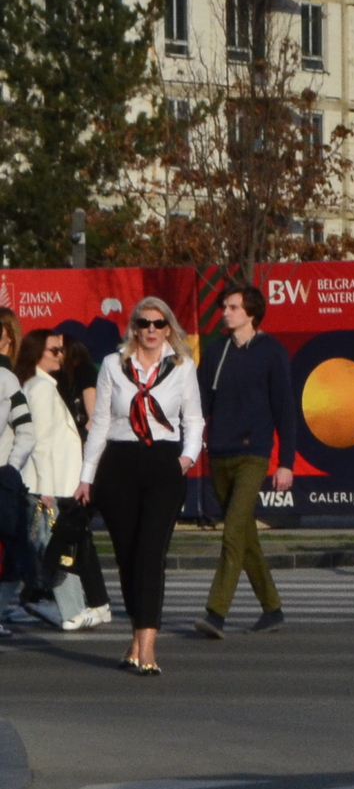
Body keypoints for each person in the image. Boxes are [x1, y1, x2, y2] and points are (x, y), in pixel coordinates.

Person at [78, 296, 204, 674]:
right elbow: (100, 422)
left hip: (163, 462)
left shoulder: (182, 367)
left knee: (151, 554)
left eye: (159, 323)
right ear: (133, 327)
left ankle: (147, 648)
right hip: (118, 462)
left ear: (169, 328)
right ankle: (135, 637)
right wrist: (87, 476)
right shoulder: (115, 366)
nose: (151, 330)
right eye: (144, 323)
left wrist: (187, 458)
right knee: (128, 556)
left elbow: (193, 419)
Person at [195, 284, 298, 639]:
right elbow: (200, 404)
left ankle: (216, 613)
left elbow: (285, 410)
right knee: (246, 534)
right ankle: (272, 609)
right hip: (219, 454)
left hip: (253, 454)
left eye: (233, 307)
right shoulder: (216, 352)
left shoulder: (272, 352)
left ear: (251, 314)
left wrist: (286, 462)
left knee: (232, 533)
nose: (225, 312)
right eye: (224, 306)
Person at [14, 326, 109, 630]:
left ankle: (45, 602)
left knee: (47, 549)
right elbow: (39, 441)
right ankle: (70, 611)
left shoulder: (43, 384)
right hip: (49, 484)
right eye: (53, 350)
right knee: (54, 549)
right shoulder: (39, 388)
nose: (60, 355)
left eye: (61, 350)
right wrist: (45, 488)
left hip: (53, 482)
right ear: (36, 354)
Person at [0, 310, 32, 631]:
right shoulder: (7, 378)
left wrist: (11, 467)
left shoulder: (8, 378)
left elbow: (25, 431)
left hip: (4, 475)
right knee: (15, 547)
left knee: (14, 549)